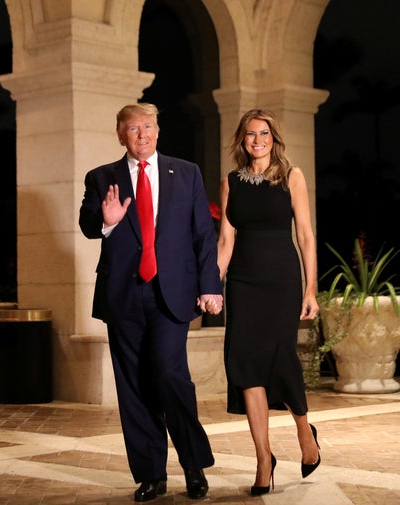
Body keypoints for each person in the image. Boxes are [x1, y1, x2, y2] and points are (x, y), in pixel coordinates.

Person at [79, 102, 224, 502]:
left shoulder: (187, 174)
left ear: (158, 131)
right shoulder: (101, 177)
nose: (141, 134)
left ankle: (193, 466)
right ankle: (151, 475)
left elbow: (203, 236)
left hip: (171, 293)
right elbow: (87, 224)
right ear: (120, 134)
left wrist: (210, 285)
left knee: (169, 374)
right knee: (133, 386)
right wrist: (106, 221)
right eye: (132, 129)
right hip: (122, 295)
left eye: (147, 127)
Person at [217, 109, 321, 496]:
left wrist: (310, 289)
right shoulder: (231, 183)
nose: (257, 140)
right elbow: (225, 242)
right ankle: (263, 458)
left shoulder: (291, 177)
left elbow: (307, 235)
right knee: (244, 364)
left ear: (274, 138)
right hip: (243, 284)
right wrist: (214, 285)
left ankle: (303, 430)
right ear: (242, 140)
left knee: (282, 359)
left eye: (264, 133)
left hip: (281, 282)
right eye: (250, 134)